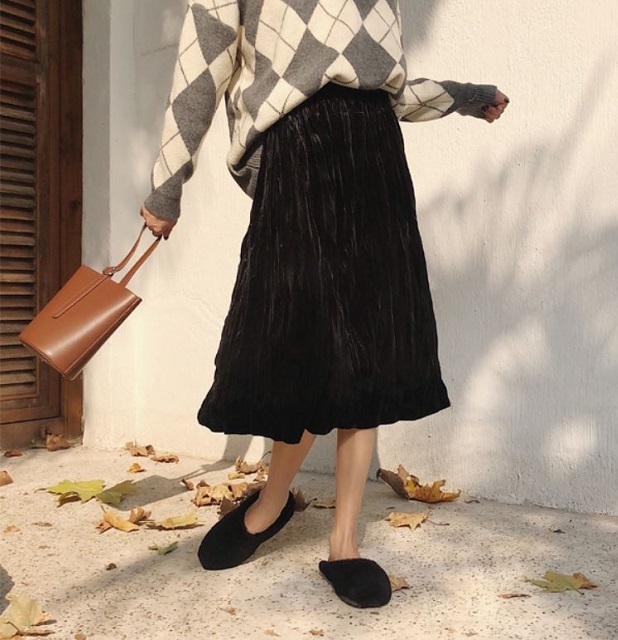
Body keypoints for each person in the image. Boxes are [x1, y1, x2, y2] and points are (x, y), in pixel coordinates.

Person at [140, 0, 509, 609]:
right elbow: (201, 65)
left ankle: (344, 542)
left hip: (376, 155)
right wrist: (167, 185)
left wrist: (466, 97)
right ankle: (271, 502)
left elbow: (384, 87)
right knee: (301, 341)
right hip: (295, 150)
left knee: (367, 348)